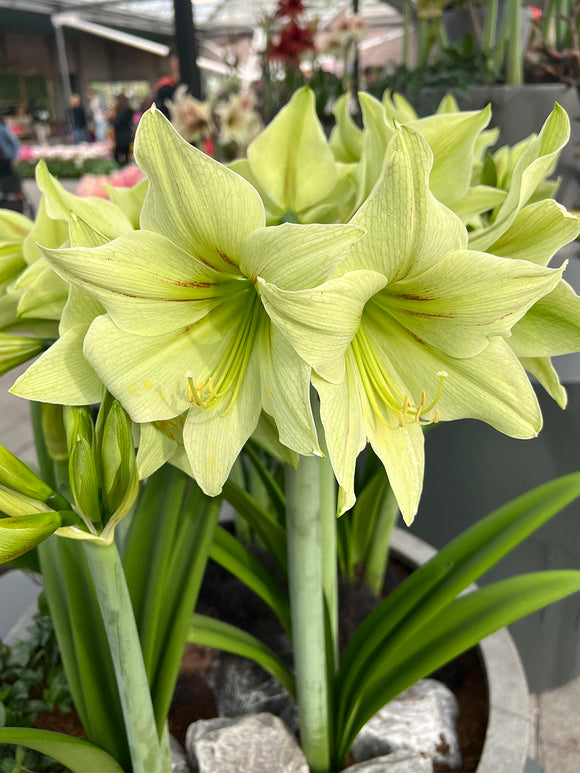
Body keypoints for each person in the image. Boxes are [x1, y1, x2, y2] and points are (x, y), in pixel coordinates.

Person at [0, 114, 26, 213]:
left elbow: (15, 143)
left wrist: (15, 157)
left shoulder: (3, 129)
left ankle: (17, 203)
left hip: (5, 160)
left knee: (12, 182)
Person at [109, 93, 134, 166]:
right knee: (126, 155)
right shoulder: (129, 110)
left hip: (120, 136)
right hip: (127, 134)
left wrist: (110, 118)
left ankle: (122, 168)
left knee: (117, 155)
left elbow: (117, 122)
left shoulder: (120, 111)